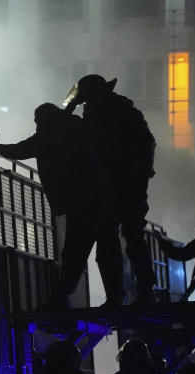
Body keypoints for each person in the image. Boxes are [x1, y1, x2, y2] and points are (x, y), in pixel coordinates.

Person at [0, 103, 115, 309]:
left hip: (79, 203)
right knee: (107, 251)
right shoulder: (77, 127)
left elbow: (20, 149)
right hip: (102, 199)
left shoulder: (48, 135)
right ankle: (114, 297)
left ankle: (59, 299)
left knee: (73, 254)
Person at [65, 74, 158, 304]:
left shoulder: (111, 112)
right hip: (118, 185)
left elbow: (144, 144)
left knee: (119, 237)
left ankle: (133, 292)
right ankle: (135, 292)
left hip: (122, 184)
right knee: (124, 237)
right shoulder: (115, 110)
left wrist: (138, 174)